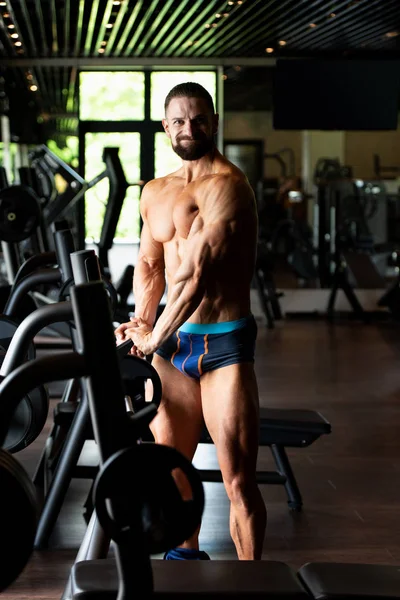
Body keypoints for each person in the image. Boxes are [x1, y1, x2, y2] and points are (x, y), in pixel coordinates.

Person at [115, 82, 267, 561]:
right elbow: (150, 265)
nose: (189, 128)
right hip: (174, 348)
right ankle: (184, 564)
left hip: (223, 342)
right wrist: (141, 321)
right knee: (173, 469)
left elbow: (197, 275)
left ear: (214, 122)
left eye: (199, 119)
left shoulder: (229, 186)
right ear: (165, 127)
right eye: (179, 121)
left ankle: (252, 583)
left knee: (237, 478)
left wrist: (152, 336)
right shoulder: (154, 192)